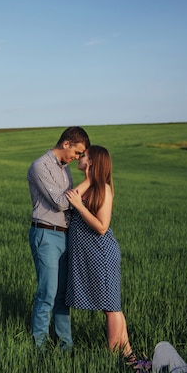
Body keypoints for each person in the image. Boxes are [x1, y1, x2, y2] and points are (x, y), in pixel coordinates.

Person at [65, 145, 138, 361]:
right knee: (111, 306)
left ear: (92, 162)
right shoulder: (89, 186)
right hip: (90, 254)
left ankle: (115, 355)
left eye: (84, 156)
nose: (79, 157)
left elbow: (102, 227)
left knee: (110, 307)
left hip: (102, 254)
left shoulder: (104, 189)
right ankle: (128, 355)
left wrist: (80, 207)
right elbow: (71, 197)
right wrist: (88, 178)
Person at [27, 126, 90, 349]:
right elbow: (62, 203)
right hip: (46, 234)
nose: (77, 157)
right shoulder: (39, 166)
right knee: (48, 292)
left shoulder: (65, 169)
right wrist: (89, 182)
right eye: (76, 152)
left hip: (65, 235)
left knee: (63, 294)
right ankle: (40, 345)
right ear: (66, 144)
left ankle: (66, 346)